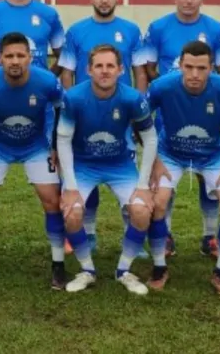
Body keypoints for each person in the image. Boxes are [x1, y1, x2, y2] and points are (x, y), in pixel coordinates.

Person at [146, 41, 220, 298]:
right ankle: (159, 267)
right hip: (170, 153)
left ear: (211, 68)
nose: (194, 74)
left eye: (202, 68)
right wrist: (155, 161)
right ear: (180, 65)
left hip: (213, 156)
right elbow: (140, 120)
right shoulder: (161, 86)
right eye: (189, 67)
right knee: (157, 201)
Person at [0, 0, 66, 255]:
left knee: (54, 169)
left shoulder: (48, 14)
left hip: (40, 108)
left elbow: (62, 56)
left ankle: (62, 231)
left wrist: (47, 82)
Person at [140, 0, 220, 258]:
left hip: (205, 114)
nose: (189, 1)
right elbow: (149, 68)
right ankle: (166, 234)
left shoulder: (216, 29)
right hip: (169, 112)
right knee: (165, 178)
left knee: (208, 178)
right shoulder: (158, 27)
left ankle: (209, 235)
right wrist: (171, 90)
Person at [0, 33, 68, 290]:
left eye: (20, 55)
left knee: (52, 199)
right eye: (9, 56)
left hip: (35, 146)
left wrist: (55, 145)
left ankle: (58, 264)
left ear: (30, 58)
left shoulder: (47, 81)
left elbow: (61, 109)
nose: (15, 61)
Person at [57, 44, 158, 295]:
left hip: (120, 165)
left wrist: (143, 185)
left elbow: (150, 139)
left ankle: (124, 270)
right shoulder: (73, 97)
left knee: (142, 211)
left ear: (121, 70)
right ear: (89, 70)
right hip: (83, 165)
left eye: (110, 66)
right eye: (99, 66)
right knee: (71, 213)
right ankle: (87, 270)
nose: (104, 71)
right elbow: (63, 140)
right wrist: (70, 187)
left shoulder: (133, 98)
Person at [57, 0, 147, 254]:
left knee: (126, 176)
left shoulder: (131, 30)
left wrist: (138, 112)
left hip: (122, 116)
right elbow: (67, 73)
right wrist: (72, 108)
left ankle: (131, 237)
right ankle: (89, 233)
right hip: (85, 115)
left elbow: (140, 72)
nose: (104, 0)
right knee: (86, 172)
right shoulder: (76, 31)